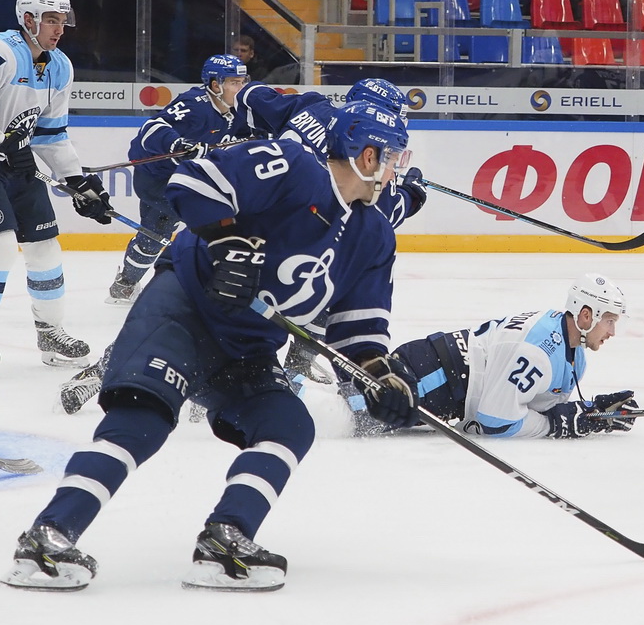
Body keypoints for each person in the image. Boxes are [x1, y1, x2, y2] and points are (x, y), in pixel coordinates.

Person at [1, 100, 418, 593]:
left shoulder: (373, 235)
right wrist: (227, 242)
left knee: (288, 425)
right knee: (143, 420)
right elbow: (195, 181)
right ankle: (48, 536)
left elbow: (358, 329)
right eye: (392, 157)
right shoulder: (293, 166)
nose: (397, 171)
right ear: (366, 156)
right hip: (184, 309)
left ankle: (226, 538)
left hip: (248, 344)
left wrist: (379, 375)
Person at [57, 77, 426, 412]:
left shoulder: (310, 107)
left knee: (182, 314)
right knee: (314, 304)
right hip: (293, 249)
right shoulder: (364, 161)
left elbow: (249, 95)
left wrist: (240, 136)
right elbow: (375, 217)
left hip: (243, 226)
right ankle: (279, 382)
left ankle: (107, 368)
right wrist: (411, 194)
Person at [0, 0, 113, 375]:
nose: (59, 28)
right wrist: (0, 142)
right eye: (51, 20)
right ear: (28, 20)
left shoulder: (60, 66)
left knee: (44, 247)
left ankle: (50, 332)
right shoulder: (1, 51)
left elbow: (51, 134)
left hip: (12, 158)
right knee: (1, 245)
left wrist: (80, 183)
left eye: (62, 20)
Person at [347, 273, 639, 437]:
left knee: (349, 408)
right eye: (610, 321)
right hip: (430, 380)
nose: (612, 331)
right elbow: (495, 421)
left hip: (441, 377)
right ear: (586, 315)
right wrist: (560, 423)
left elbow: (528, 403)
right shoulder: (537, 351)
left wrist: (589, 412)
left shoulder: (573, 353)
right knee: (344, 414)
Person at [107, 54, 251, 305]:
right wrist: (178, 144)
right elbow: (151, 130)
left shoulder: (237, 110)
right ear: (216, 85)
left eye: (242, 81)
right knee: (201, 222)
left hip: (191, 176)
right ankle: (199, 283)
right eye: (234, 83)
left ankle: (125, 285)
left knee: (156, 230)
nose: (241, 88)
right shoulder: (195, 105)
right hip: (158, 178)